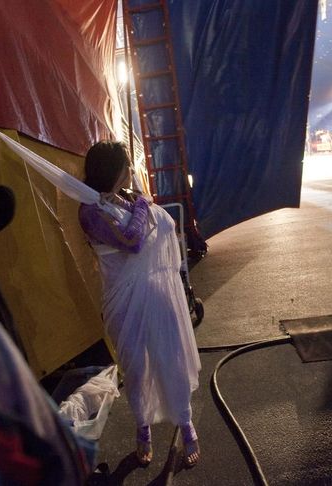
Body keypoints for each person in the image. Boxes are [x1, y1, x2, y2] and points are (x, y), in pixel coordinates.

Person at [77, 141, 202, 468]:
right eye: (126, 166)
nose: (131, 171)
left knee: (171, 358)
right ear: (112, 170)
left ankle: (185, 422)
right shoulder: (90, 210)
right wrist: (145, 206)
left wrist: (141, 204)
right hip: (124, 301)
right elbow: (131, 241)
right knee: (136, 368)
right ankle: (143, 428)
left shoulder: (128, 198)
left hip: (159, 295)